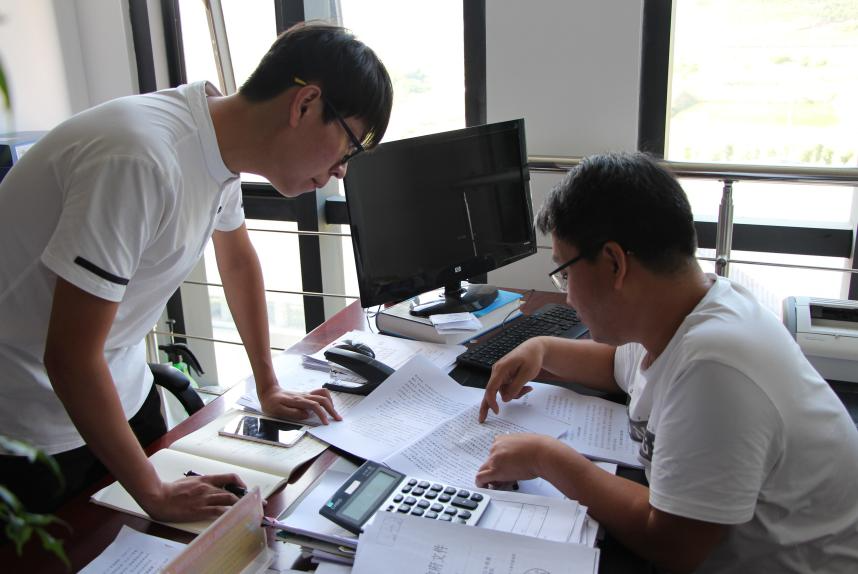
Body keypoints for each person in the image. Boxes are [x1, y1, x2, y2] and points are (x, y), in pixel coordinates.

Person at [0, 22, 393, 522]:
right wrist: (154, 493)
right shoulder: (139, 159)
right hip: (29, 428)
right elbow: (70, 358)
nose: (341, 170)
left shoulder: (219, 141)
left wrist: (268, 385)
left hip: (123, 391)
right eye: (349, 146)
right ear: (305, 105)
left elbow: (237, 261)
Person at [476, 152, 858, 573]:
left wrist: (547, 458)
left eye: (565, 273)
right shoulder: (688, 306)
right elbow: (617, 367)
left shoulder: (715, 369)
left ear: (615, 264)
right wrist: (543, 349)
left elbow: (672, 544)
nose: (566, 294)